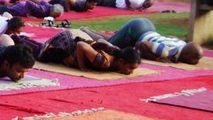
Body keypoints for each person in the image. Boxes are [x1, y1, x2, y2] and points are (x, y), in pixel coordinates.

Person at [9, 30, 141, 75]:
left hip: (78, 39)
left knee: (42, 48)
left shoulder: (117, 54)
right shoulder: (103, 62)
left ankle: (20, 38)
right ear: (121, 61)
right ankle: (17, 38)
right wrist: (81, 67)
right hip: (70, 41)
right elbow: (81, 45)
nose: (130, 72)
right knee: (41, 53)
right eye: (130, 68)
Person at [82, 18, 203, 65]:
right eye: (194, 58)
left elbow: (172, 37)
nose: (196, 62)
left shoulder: (182, 44)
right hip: (137, 30)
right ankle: (85, 31)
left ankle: (88, 30)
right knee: (112, 44)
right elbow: (141, 45)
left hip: (145, 27)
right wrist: (156, 58)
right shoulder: (169, 51)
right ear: (186, 54)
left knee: (117, 40)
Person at [28, 0, 98, 13]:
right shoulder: (79, 6)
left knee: (48, 3)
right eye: (92, 4)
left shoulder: (86, 4)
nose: (93, 7)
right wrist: (68, 10)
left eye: (95, 5)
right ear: (87, 3)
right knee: (47, 5)